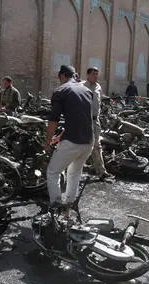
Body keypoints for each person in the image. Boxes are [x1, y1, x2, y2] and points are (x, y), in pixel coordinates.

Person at [45, 65, 94, 206]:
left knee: (53, 172)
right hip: (88, 140)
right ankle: (67, 207)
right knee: (73, 174)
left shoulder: (61, 90)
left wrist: (48, 141)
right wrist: (60, 136)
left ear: (62, 76)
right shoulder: (87, 90)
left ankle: (56, 208)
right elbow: (79, 117)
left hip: (73, 141)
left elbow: (53, 119)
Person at [83, 67, 112, 180]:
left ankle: (101, 171)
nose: (96, 76)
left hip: (96, 121)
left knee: (97, 145)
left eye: (97, 74)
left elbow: (99, 99)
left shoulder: (98, 87)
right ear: (88, 75)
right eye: (93, 74)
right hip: (84, 120)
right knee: (80, 144)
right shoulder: (82, 86)